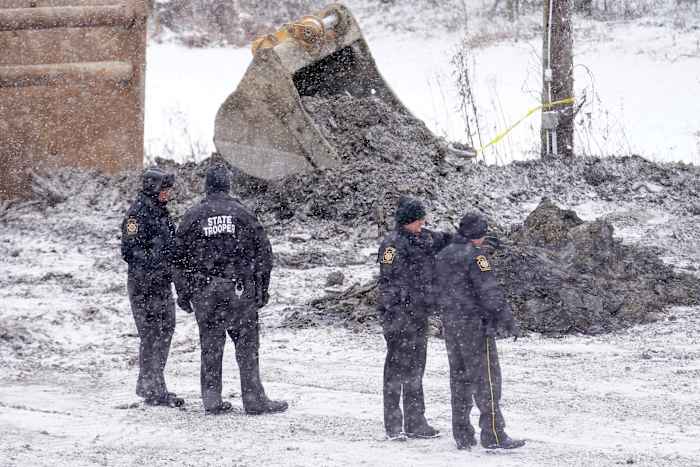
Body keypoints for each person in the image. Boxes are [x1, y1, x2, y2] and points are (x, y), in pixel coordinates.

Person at [174, 163, 287, 415]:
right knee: (246, 346)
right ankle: (254, 399)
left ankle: (212, 399)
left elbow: (177, 258)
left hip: (204, 291)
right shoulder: (242, 214)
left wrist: (183, 292)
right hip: (237, 290)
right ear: (228, 185)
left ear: (207, 186)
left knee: (211, 345)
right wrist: (261, 289)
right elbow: (264, 254)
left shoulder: (193, 216)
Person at [434, 212, 525, 450]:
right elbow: (490, 292)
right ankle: (493, 433)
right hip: (474, 325)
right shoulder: (476, 257)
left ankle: (462, 434)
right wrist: (507, 319)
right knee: (487, 380)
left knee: (459, 378)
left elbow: (435, 287)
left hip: (451, 325)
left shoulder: (443, 255)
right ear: (478, 235)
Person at [376, 196, 452, 440]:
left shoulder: (424, 237)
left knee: (416, 370)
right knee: (396, 372)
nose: (423, 223)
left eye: (423, 219)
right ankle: (394, 425)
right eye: (418, 220)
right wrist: (399, 309)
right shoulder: (391, 246)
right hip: (398, 317)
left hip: (419, 315)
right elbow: (388, 283)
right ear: (407, 221)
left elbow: (445, 239)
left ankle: (416, 422)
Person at [121, 167, 184, 407]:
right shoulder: (137, 215)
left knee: (165, 330)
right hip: (144, 285)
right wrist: (159, 261)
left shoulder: (160, 212)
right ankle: (152, 388)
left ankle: (151, 384)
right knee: (152, 335)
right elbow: (129, 251)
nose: (168, 194)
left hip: (161, 283)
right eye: (165, 189)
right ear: (153, 188)